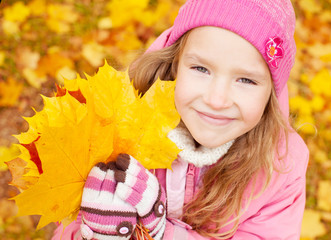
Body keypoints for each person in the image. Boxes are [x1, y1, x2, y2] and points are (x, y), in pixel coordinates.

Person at [52, 0, 309, 239]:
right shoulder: (117, 126)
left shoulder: (281, 167)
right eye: (201, 69)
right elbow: (65, 220)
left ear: (271, 94)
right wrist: (95, 230)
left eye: (246, 80)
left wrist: (163, 233)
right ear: (174, 63)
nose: (217, 100)